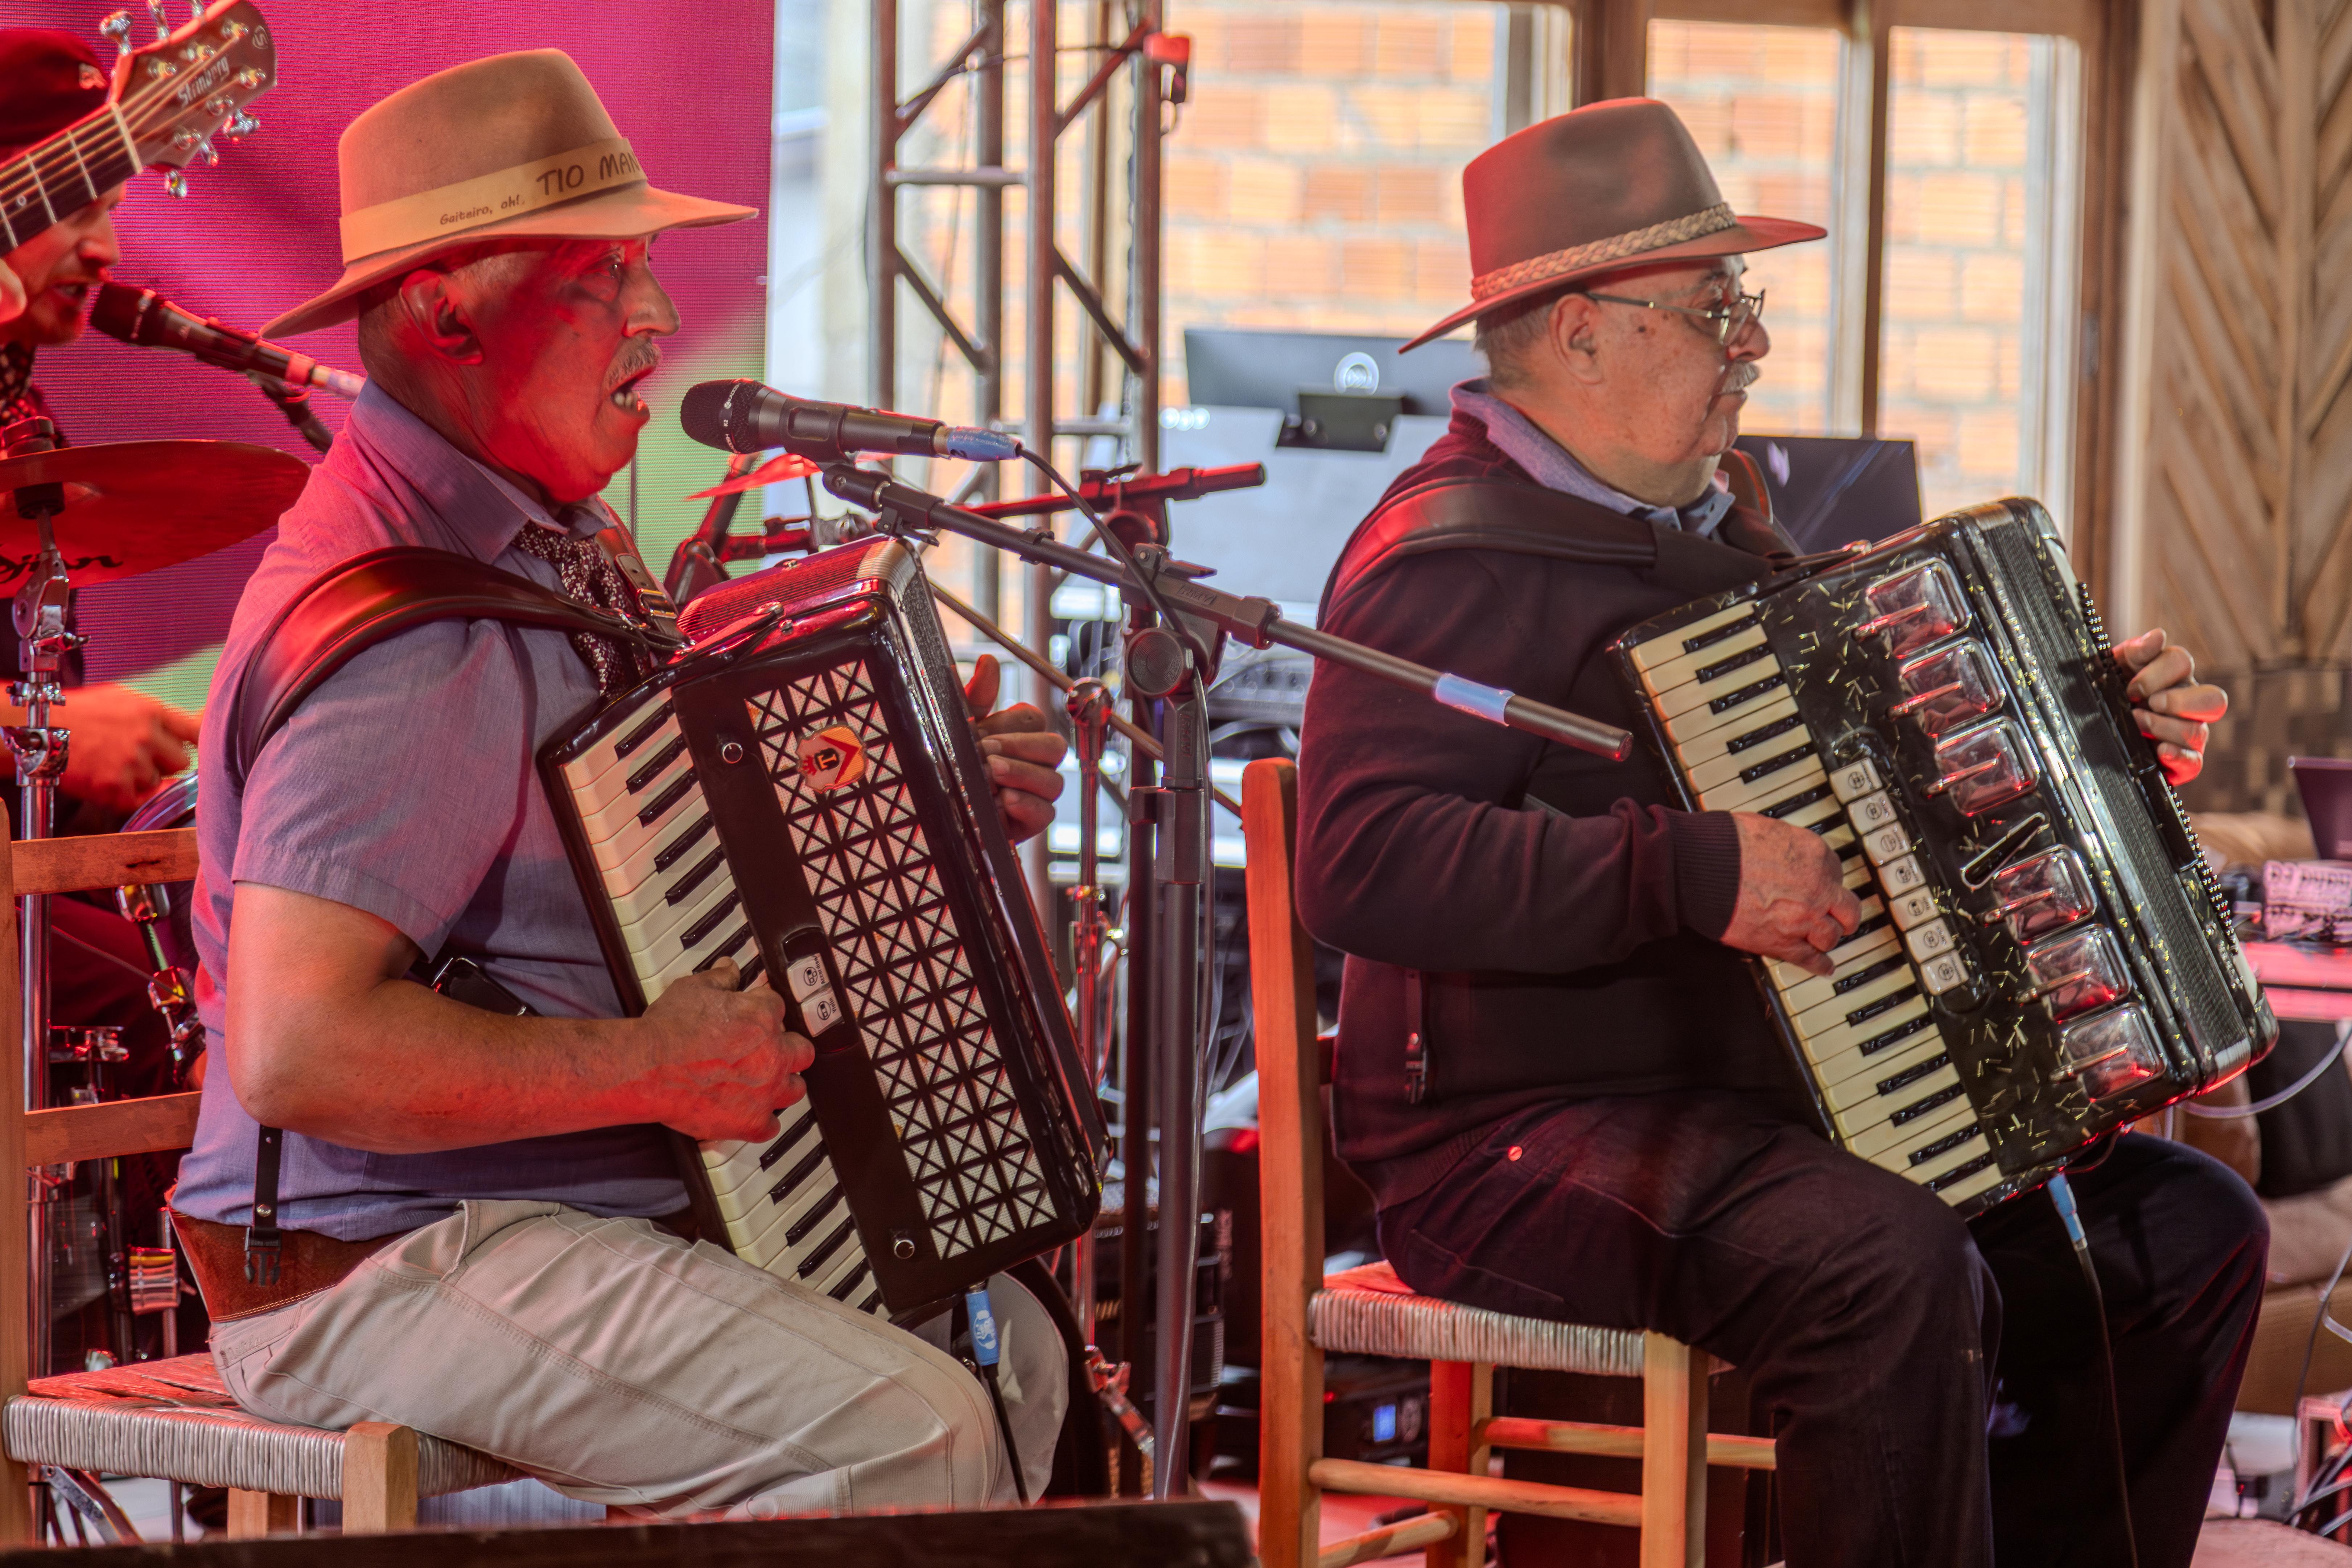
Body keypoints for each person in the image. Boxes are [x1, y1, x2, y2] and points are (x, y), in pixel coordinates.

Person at [1294, 99, 2260, 1568]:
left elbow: (1882, 787)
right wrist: (1687, 873)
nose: (1749, 341)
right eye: (1712, 307)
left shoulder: (1717, 530)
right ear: (1579, 333)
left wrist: (2095, 743)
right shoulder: (1446, 559)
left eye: (1741, 301)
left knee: (2183, 1231)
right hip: (1503, 1144)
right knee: (1883, 1265)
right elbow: (1360, 860)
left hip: (1765, 1109)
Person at [168, 51, 1072, 1515]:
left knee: (1009, 1346)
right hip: (377, 1257)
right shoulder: (413, 627)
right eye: (603, 276)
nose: (657, 314)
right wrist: (653, 1068)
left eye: (645, 267)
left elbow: (658, 873)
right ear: (447, 312)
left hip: (558, 1207)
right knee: (907, 1429)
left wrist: (925, 800)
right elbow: (299, 1048)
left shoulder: (549, 541)